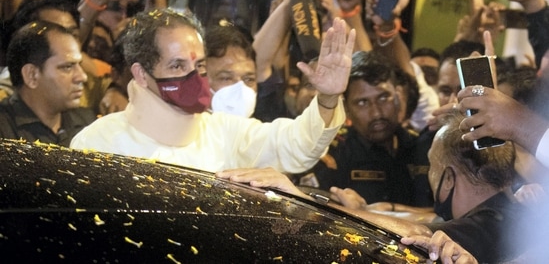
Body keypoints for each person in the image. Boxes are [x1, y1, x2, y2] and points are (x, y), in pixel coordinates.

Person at [218, 112, 528, 263]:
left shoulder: (491, 224)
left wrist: (301, 201)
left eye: (432, 169)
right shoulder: (520, 208)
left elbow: (415, 233)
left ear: (447, 178)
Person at [70, 9, 354, 174]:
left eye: (200, 65)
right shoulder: (97, 144)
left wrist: (328, 97)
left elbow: (297, 145)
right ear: (141, 74)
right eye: (178, 66)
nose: (194, 77)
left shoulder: (224, 131)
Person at [301, 51, 433, 208]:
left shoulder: (422, 148)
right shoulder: (332, 155)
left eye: (383, 98)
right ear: (346, 108)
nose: (376, 113)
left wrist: (380, 211)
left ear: (398, 97)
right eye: (362, 102)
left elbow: (448, 217)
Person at [0, 21, 95, 146]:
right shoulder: (4, 130)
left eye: (79, 65)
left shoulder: (87, 122)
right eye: (67, 67)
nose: (82, 77)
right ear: (31, 75)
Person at [204, 24, 257, 118]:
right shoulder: (180, 131)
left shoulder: (263, 132)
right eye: (226, 78)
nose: (240, 89)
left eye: (249, 79)